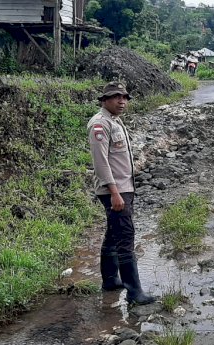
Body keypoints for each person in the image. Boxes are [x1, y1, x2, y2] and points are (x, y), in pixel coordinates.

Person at [87, 81, 155, 305]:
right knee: (125, 237)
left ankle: (109, 280)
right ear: (104, 100)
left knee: (113, 233)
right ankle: (135, 293)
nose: (122, 101)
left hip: (123, 188)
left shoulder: (115, 121)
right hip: (114, 190)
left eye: (125, 97)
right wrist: (115, 193)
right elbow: (101, 163)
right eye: (116, 97)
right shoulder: (100, 124)